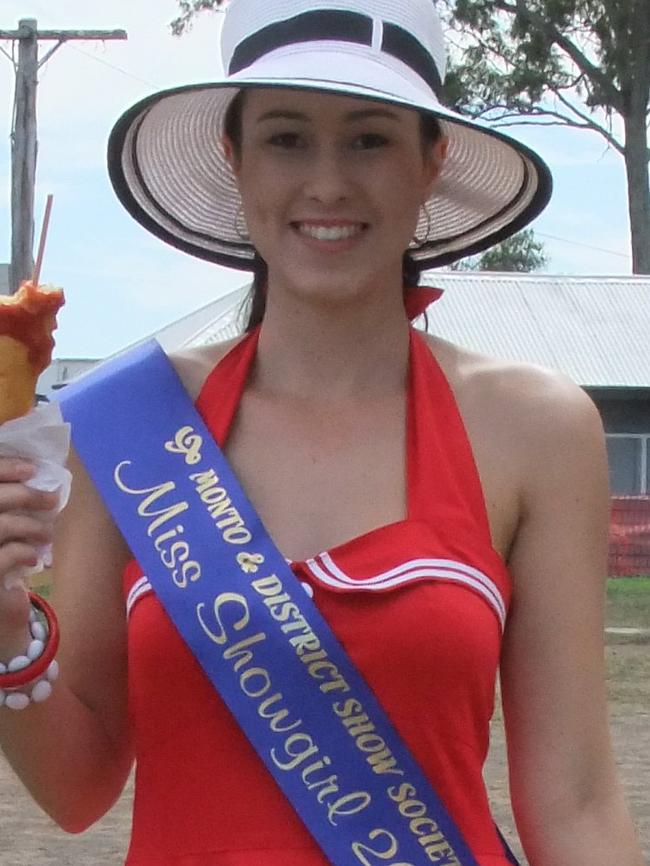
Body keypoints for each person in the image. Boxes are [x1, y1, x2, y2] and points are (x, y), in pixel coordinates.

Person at [0, 1, 644, 864]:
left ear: (431, 162)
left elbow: (575, 802)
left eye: (371, 139)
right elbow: (77, 790)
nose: (329, 183)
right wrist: (5, 626)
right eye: (286, 137)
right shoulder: (123, 425)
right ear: (236, 161)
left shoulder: (539, 429)